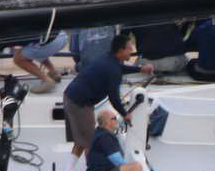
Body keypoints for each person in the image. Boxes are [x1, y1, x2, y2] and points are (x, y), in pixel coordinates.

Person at [62, 32, 154, 162]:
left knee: (83, 139)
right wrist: (125, 114)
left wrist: (140, 69)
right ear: (121, 50)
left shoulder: (109, 59)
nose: (132, 51)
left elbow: (120, 68)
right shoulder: (112, 69)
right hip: (80, 104)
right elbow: (113, 97)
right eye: (129, 48)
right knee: (90, 142)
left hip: (70, 96)